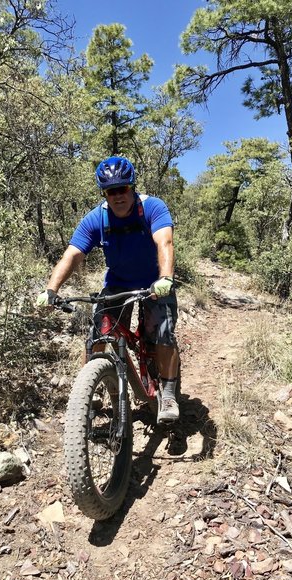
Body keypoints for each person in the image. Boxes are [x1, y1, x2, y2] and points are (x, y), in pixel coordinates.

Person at [36, 156, 180, 423]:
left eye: (123, 188)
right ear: (104, 193)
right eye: (111, 191)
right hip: (117, 284)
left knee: (162, 333)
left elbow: (165, 243)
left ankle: (169, 393)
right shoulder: (96, 219)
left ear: (132, 187)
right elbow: (72, 254)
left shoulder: (152, 208)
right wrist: (51, 289)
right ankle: (88, 393)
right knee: (98, 337)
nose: (117, 195)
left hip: (155, 283)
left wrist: (165, 279)